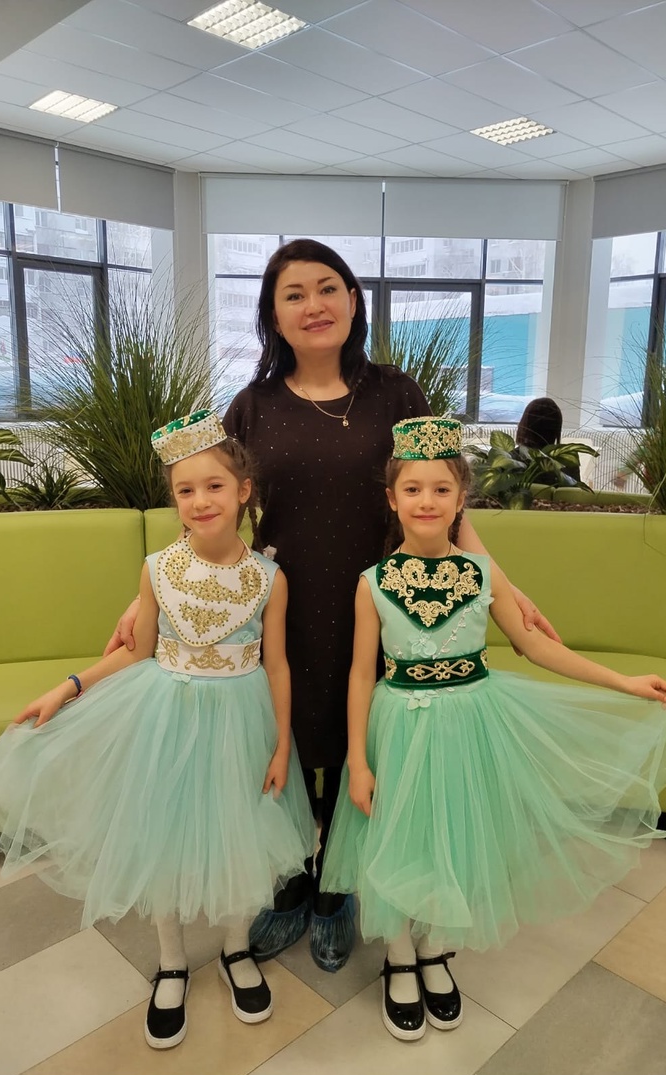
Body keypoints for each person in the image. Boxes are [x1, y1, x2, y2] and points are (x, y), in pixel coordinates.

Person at [107, 239, 560, 974]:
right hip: (283, 600)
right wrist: (153, 594)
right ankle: (291, 878)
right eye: (294, 294)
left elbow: (442, 500)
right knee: (288, 738)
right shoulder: (252, 405)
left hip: (385, 599)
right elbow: (212, 500)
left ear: (353, 300)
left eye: (327, 288)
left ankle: (338, 890)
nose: (313, 305)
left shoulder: (395, 394)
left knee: (362, 745)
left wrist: (501, 582)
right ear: (273, 314)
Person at [0, 410, 315, 1051]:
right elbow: (136, 651)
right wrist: (68, 687)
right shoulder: (157, 569)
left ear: (243, 491)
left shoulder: (269, 578)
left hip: (242, 721)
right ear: (173, 498)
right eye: (185, 489)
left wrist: (283, 742)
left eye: (214, 486)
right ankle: (172, 962)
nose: (200, 501)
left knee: (241, 836)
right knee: (163, 839)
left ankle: (236, 949)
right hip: (166, 721)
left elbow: (278, 663)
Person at [321, 416, 666, 1041]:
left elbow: (535, 646)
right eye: (413, 489)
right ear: (391, 498)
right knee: (401, 842)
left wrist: (622, 682)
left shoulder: (483, 576)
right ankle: (399, 957)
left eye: (441, 489)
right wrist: (358, 760)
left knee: (455, 841)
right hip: (399, 728)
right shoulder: (372, 584)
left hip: (472, 729)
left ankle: (434, 950)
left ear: (462, 497)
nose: (427, 501)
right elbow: (359, 674)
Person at [515, 396, 581, 482]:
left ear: (525, 424)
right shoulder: (568, 460)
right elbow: (576, 489)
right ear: (556, 428)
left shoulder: (512, 459)